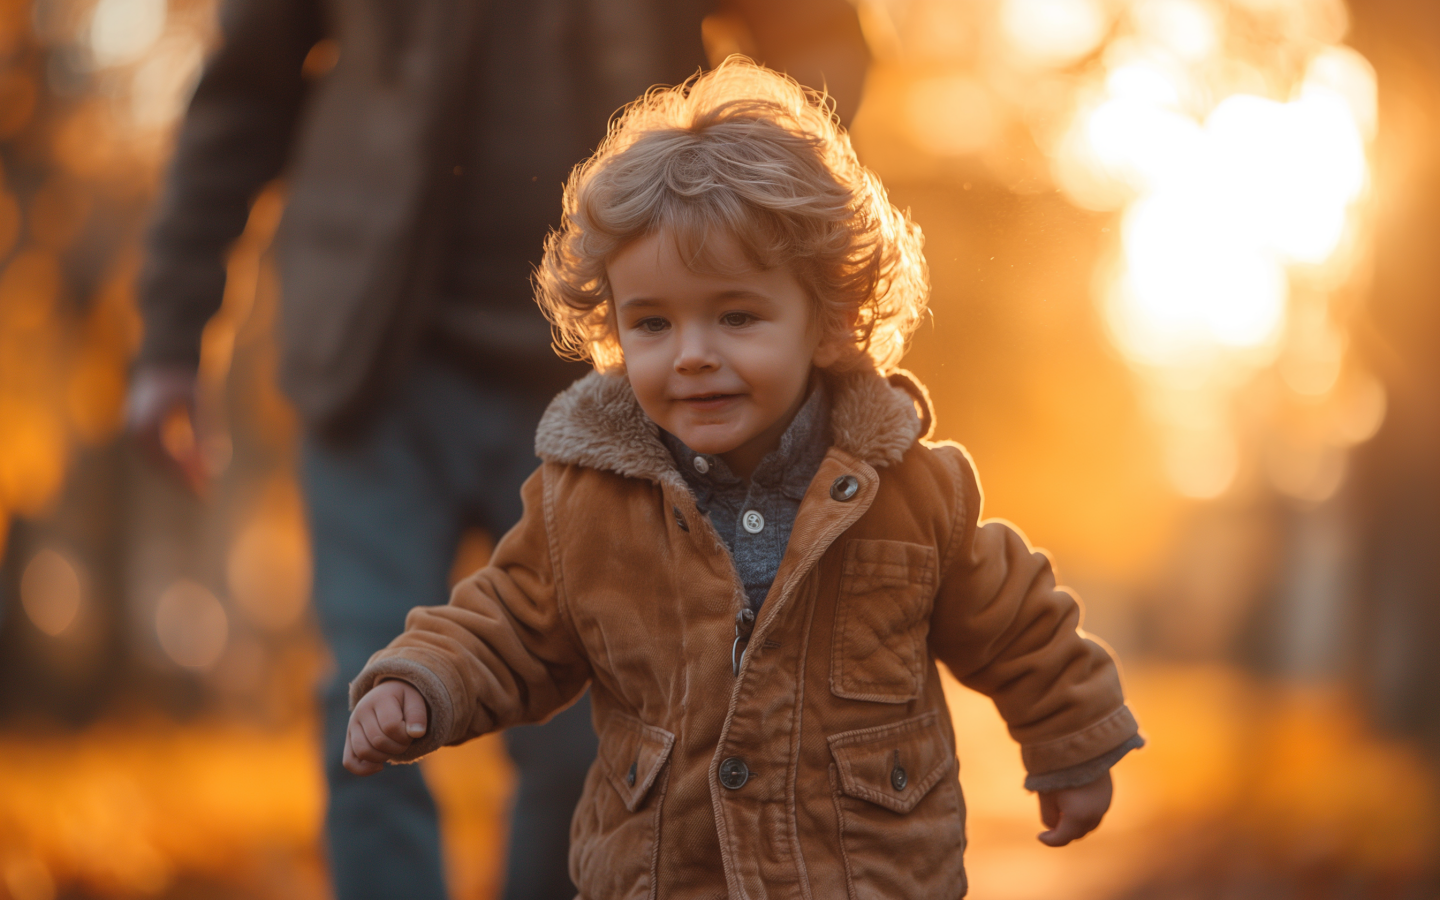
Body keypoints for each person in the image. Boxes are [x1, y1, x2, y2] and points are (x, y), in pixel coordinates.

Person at [343, 58, 1144, 899]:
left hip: (864, 877)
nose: (692, 353)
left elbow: (1017, 622)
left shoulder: (908, 490)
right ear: (613, 329)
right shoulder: (585, 504)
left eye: (736, 315)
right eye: (652, 322)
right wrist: (419, 682)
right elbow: (505, 622)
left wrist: (1071, 738)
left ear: (829, 318)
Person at [124, 2, 869, 899]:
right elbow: (244, 91)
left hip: (618, 381)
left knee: (598, 730)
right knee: (373, 695)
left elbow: (823, 37)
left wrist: (750, 210)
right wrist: (170, 334)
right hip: (373, 363)